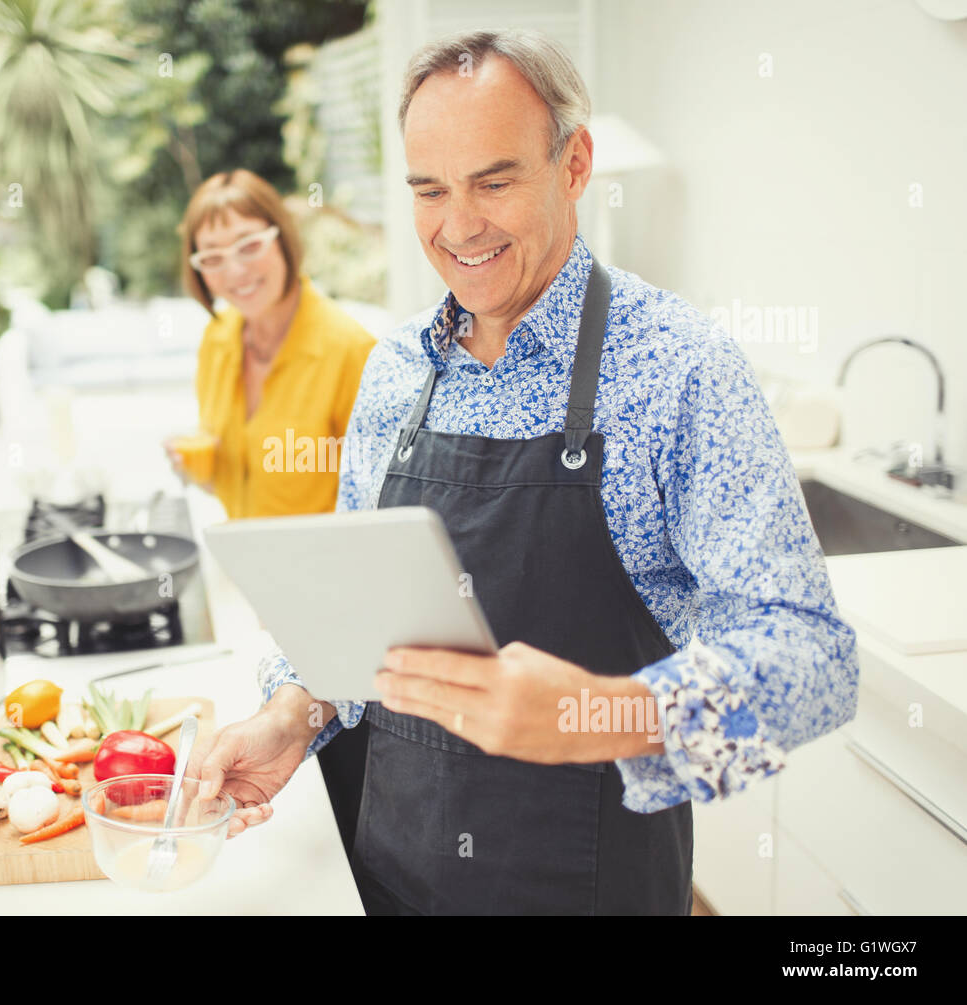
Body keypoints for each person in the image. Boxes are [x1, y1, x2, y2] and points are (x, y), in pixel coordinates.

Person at [189, 28, 860, 915]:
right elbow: (360, 629)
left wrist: (603, 714)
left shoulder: (680, 367)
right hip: (392, 873)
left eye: (494, 182)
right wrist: (295, 712)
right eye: (429, 190)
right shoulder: (396, 372)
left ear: (574, 162)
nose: (458, 226)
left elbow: (817, 662)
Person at [167, 170, 377, 521]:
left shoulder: (352, 351)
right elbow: (242, 480)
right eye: (212, 257)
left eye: (249, 246)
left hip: (327, 567)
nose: (234, 271)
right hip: (245, 561)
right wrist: (198, 469)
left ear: (283, 238)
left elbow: (378, 500)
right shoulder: (216, 341)